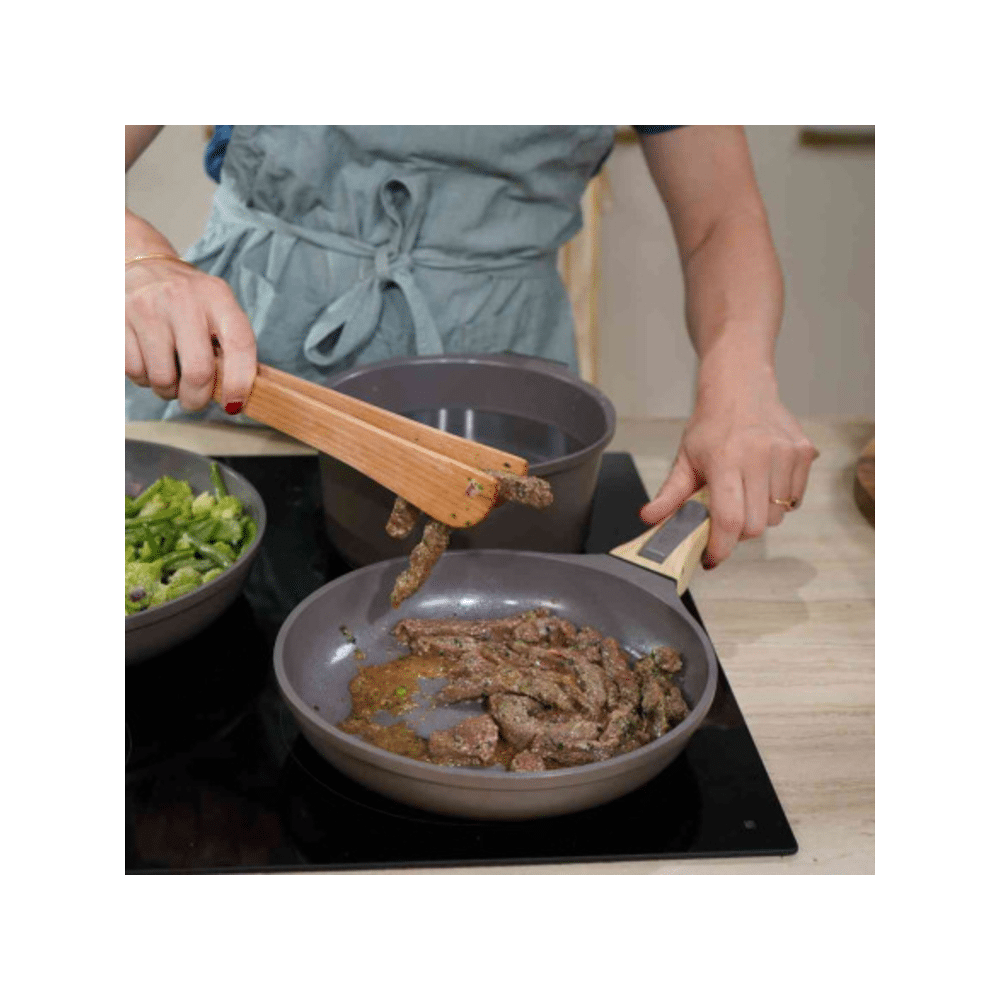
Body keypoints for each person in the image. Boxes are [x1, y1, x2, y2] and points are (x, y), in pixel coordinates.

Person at [125, 125, 817, 568]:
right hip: (244, 371)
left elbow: (720, 220)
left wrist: (741, 385)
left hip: (503, 373)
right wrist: (138, 263)